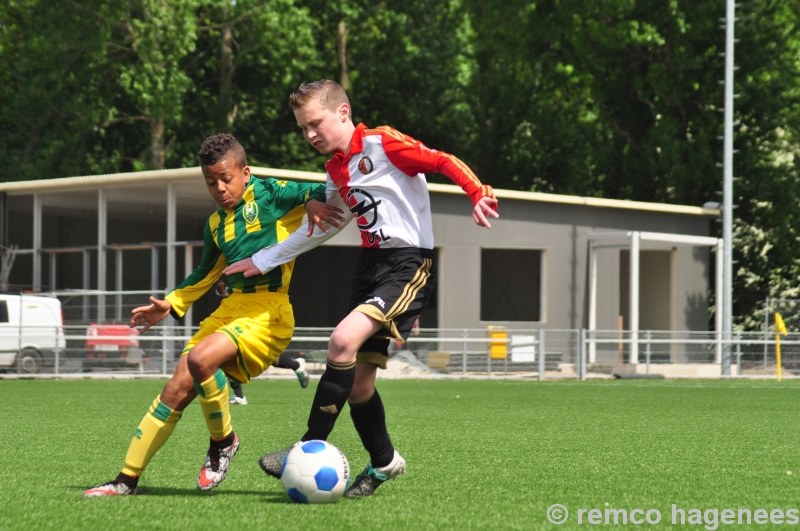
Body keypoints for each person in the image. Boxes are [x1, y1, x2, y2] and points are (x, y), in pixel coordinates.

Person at [224, 80, 498, 497]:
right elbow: (319, 230)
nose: (310, 134)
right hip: (369, 267)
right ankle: (386, 462)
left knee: (341, 341)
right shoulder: (335, 170)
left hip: (408, 263)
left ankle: (304, 446)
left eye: (315, 123)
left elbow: (441, 160)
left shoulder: (382, 143)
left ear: (343, 112)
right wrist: (263, 259)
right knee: (359, 385)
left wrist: (476, 192)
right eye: (302, 128)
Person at [84, 133, 343, 497]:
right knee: (174, 390)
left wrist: (315, 204)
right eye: (211, 182)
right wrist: (171, 302)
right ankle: (125, 481)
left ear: (245, 172)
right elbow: (205, 273)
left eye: (226, 179)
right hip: (229, 310)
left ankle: (223, 443)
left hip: (268, 312)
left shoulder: (268, 193)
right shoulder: (215, 225)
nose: (219, 188)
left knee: (202, 360)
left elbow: (313, 191)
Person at [214, 275, 309, 396]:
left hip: (265, 316)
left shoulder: (270, 267)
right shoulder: (247, 271)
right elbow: (243, 292)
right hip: (244, 317)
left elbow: (259, 290)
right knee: (233, 356)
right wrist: (224, 291)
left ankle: (238, 395)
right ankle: (296, 365)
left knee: (232, 355)